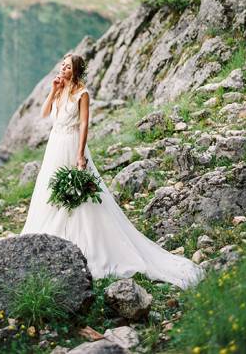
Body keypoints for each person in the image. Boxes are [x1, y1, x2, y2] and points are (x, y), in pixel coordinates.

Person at [21, 51, 205, 290]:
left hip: (71, 145)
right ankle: (51, 237)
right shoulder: (60, 90)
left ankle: (85, 242)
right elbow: (45, 114)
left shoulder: (82, 93)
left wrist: (80, 155)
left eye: (67, 67)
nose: (63, 70)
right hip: (54, 147)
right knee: (50, 192)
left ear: (76, 71)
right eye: (62, 66)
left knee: (79, 196)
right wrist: (53, 90)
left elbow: (84, 124)